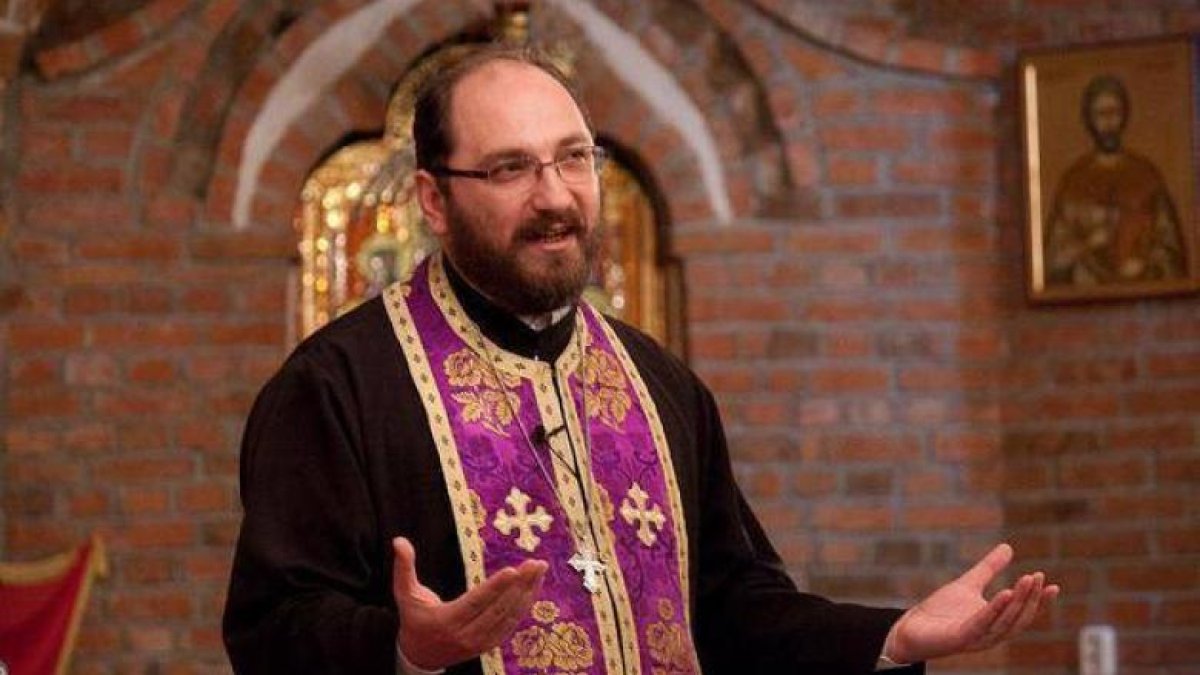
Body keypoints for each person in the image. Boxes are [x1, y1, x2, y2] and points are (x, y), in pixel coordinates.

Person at [223, 45, 1059, 674]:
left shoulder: (661, 385)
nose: (556, 196)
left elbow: (734, 607)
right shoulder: (337, 387)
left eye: (574, 157)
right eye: (511, 168)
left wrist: (892, 635)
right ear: (435, 199)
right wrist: (403, 649)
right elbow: (270, 628)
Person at [1044, 74, 1188, 286]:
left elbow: (1170, 246)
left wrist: (1145, 262)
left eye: (1115, 112)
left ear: (1124, 115)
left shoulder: (1146, 175)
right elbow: (1052, 260)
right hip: (1087, 289)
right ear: (1089, 119)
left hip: (1143, 288)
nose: (1109, 122)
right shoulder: (1073, 181)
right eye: (1101, 114)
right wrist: (1088, 244)